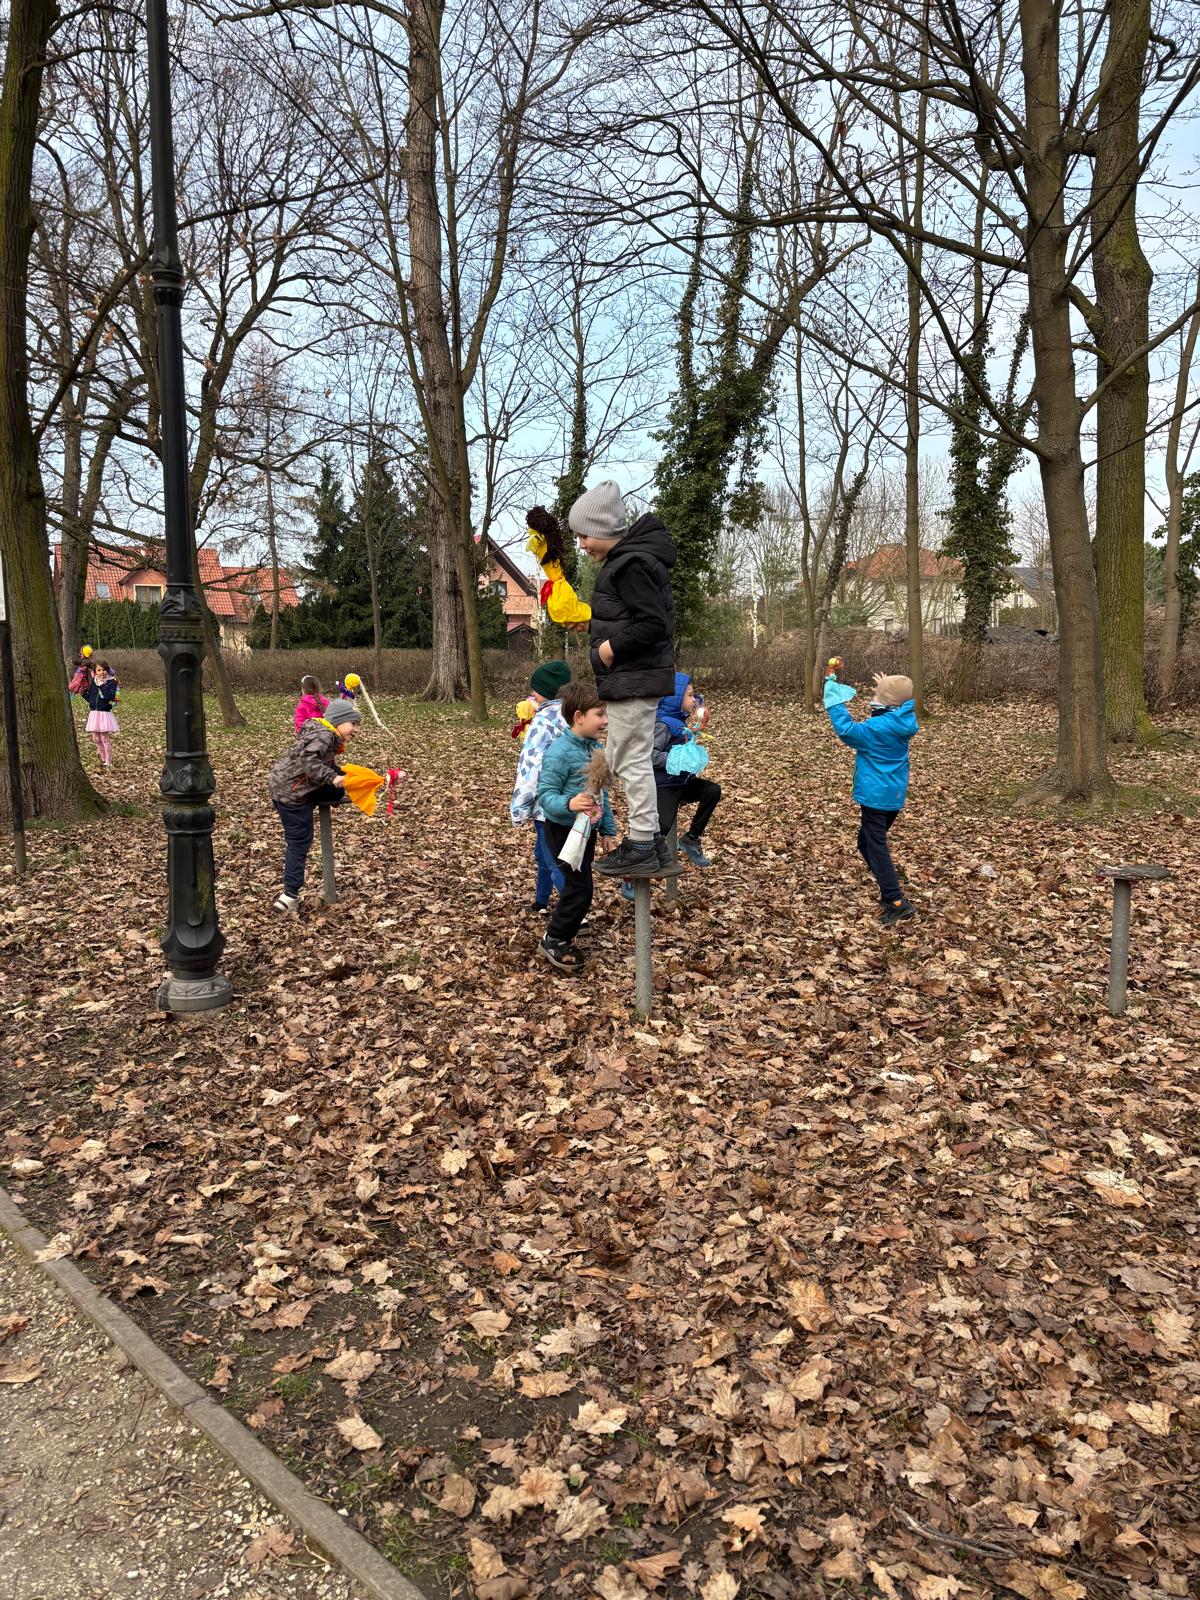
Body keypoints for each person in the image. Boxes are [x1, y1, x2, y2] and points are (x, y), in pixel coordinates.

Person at [568, 480, 675, 880]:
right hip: (630, 680)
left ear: (604, 528)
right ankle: (656, 846)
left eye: (584, 535)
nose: (581, 545)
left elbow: (653, 624)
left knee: (632, 763)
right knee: (624, 756)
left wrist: (609, 649)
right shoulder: (629, 562)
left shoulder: (630, 565)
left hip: (633, 680)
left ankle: (643, 844)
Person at [824, 671, 919, 924]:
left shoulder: (874, 729)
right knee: (865, 843)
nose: (872, 698)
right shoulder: (902, 720)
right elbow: (887, 714)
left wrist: (833, 699)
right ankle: (887, 881)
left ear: (887, 703)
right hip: (892, 795)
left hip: (876, 797)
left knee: (875, 845)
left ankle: (896, 900)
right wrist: (886, 689)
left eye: (876, 695)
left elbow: (847, 730)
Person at [536, 683, 616, 971]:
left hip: (587, 830)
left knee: (583, 887)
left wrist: (607, 830)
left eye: (606, 714)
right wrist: (569, 803)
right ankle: (554, 938)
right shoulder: (558, 753)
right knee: (579, 888)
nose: (605, 721)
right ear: (579, 716)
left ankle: (564, 934)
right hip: (562, 830)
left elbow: (601, 794)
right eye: (600, 714)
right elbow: (545, 795)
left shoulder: (597, 749)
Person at [267, 697, 360, 913]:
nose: (356, 730)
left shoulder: (323, 733)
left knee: (336, 788)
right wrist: (333, 778)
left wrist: (347, 777)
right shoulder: (324, 736)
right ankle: (289, 896)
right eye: (353, 724)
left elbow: (326, 765)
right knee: (299, 841)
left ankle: (347, 790)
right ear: (338, 721)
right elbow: (309, 760)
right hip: (291, 794)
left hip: (291, 786)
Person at [509, 659, 572, 916]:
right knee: (544, 852)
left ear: (546, 691)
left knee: (554, 858)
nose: (532, 693)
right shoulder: (575, 716)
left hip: (547, 805)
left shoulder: (543, 722)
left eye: (535, 688)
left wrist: (520, 807)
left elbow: (531, 766)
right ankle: (541, 900)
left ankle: (574, 914)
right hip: (572, 801)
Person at [653, 672, 721, 867]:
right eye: (690, 695)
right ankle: (635, 869)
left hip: (682, 782)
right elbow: (650, 754)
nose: (694, 700)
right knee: (662, 826)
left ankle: (691, 838)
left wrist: (694, 734)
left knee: (712, 791)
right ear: (675, 698)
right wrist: (675, 759)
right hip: (665, 785)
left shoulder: (679, 721)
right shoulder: (663, 724)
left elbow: (680, 745)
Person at [82, 660, 120, 769]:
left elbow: (109, 697)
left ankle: (108, 761)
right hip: (94, 713)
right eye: (99, 670)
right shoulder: (94, 682)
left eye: (104, 670)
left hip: (104, 713)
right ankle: (103, 758)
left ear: (107, 670)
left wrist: (102, 685)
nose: (101, 672)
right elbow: (92, 698)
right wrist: (84, 694)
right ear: (95, 672)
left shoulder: (111, 682)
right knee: (96, 738)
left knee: (104, 738)